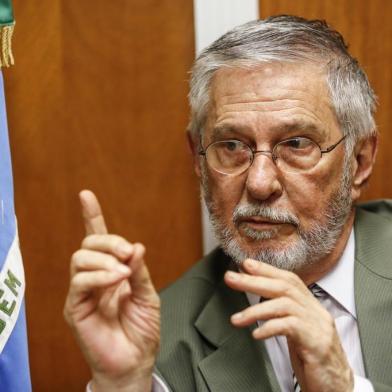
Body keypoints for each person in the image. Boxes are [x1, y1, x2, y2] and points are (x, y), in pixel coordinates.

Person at [63, 15, 392, 392]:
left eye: (298, 144)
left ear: (360, 161)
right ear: (199, 161)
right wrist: (121, 383)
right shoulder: (153, 338)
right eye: (232, 146)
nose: (260, 182)